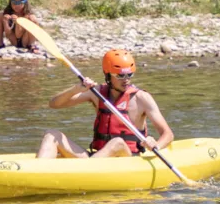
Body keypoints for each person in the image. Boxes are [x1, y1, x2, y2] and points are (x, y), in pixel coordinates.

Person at [36, 48, 173, 160]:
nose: (126, 80)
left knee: (117, 142)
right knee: (51, 135)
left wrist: (155, 144)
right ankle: (36, 173)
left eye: (129, 75)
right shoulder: (97, 93)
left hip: (128, 158)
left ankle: (85, 172)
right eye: (120, 76)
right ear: (108, 75)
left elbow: (167, 134)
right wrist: (76, 89)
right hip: (97, 157)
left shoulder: (142, 98)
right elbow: (54, 104)